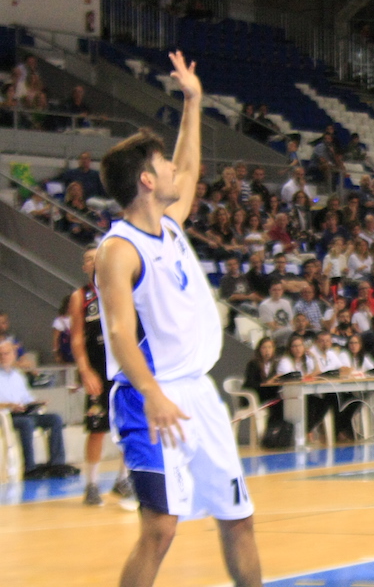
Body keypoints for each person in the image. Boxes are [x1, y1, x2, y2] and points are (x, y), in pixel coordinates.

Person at [93, 51, 262, 587]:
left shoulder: (168, 224)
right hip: (150, 397)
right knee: (160, 529)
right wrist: (153, 394)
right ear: (146, 180)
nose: (174, 170)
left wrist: (193, 101)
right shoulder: (119, 250)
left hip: (198, 395)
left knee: (238, 518)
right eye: (162, 165)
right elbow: (119, 335)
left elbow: (188, 168)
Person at [69, 245, 134, 506]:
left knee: (130, 426)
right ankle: (92, 484)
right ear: (85, 266)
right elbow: (76, 339)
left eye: (97, 258)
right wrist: (85, 371)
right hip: (98, 370)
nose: (94, 262)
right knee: (97, 429)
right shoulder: (80, 296)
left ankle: (123, 479)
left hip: (124, 369)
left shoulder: (122, 289)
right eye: (89, 259)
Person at [0, 339, 76, 479]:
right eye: (1, 354)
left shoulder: (18, 376)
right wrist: (9, 405)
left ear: (13, 355)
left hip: (23, 412)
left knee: (55, 419)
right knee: (26, 423)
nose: (3, 357)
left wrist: (36, 403)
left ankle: (57, 463)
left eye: (6, 353)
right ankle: (30, 467)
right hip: (6, 415)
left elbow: (26, 398)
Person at [242, 337, 283, 424]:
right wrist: (266, 383)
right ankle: (271, 429)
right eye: (264, 348)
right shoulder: (253, 364)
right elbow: (250, 384)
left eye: (269, 347)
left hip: (270, 395)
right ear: (259, 350)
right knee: (278, 405)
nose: (267, 350)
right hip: (256, 395)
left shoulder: (276, 364)